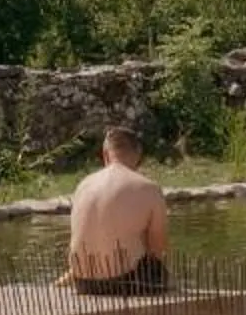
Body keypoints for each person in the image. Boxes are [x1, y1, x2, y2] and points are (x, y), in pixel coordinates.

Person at [59, 123, 169, 295]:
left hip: (84, 283)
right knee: (157, 268)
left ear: (105, 155)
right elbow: (158, 248)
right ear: (138, 156)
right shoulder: (148, 188)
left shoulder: (83, 185)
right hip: (126, 282)